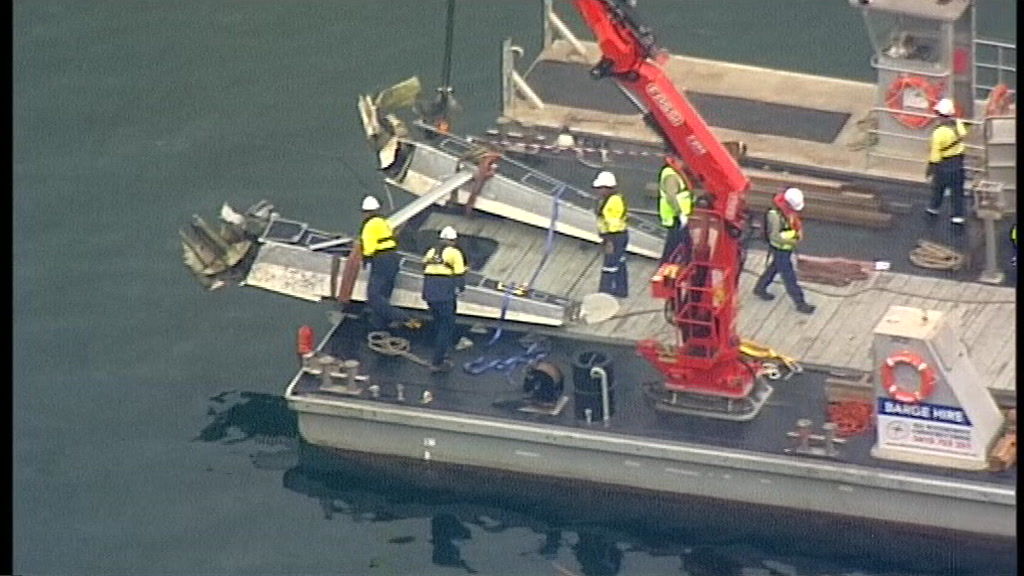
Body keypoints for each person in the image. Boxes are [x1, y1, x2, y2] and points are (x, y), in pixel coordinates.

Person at [360, 195, 420, 331]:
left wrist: (365, 259)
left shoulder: (368, 226)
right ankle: (379, 325)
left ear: (366, 212)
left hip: (381, 260)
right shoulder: (383, 222)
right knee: (385, 296)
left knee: (374, 297)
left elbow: (369, 248)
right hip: (393, 258)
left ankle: (405, 318)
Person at [753, 187, 815, 314]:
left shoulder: (785, 212)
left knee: (774, 267)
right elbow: (776, 236)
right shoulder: (775, 215)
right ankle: (800, 303)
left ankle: (760, 288)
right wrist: (795, 237)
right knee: (789, 277)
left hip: (785, 248)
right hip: (780, 248)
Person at [422, 226, 467, 373]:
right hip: (444, 293)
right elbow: (459, 273)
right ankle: (437, 361)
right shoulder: (455, 253)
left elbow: (425, 266)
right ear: (453, 241)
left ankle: (440, 352)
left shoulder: (431, 251)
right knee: (446, 326)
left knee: (438, 322)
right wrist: (460, 288)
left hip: (429, 292)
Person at [925, 98, 968, 225]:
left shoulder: (938, 132)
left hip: (943, 165)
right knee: (957, 191)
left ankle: (934, 208)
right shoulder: (958, 124)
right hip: (958, 163)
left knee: (938, 188)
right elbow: (964, 133)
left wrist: (930, 169)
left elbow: (935, 154)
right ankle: (958, 215)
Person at [593, 170, 629, 297]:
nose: (597, 191)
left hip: (615, 236)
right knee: (619, 262)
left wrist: (608, 241)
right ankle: (621, 290)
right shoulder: (608, 199)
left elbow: (612, 224)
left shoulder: (613, 201)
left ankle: (605, 292)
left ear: (607, 188)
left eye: (600, 188)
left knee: (610, 265)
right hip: (615, 236)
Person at [657, 157, 694, 264]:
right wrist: (680, 213)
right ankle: (666, 267)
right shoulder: (671, 176)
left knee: (684, 243)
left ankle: (683, 263)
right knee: (673, 246)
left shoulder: (674, 172)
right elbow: (671, 197)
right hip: (675, 217)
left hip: (679, 216)